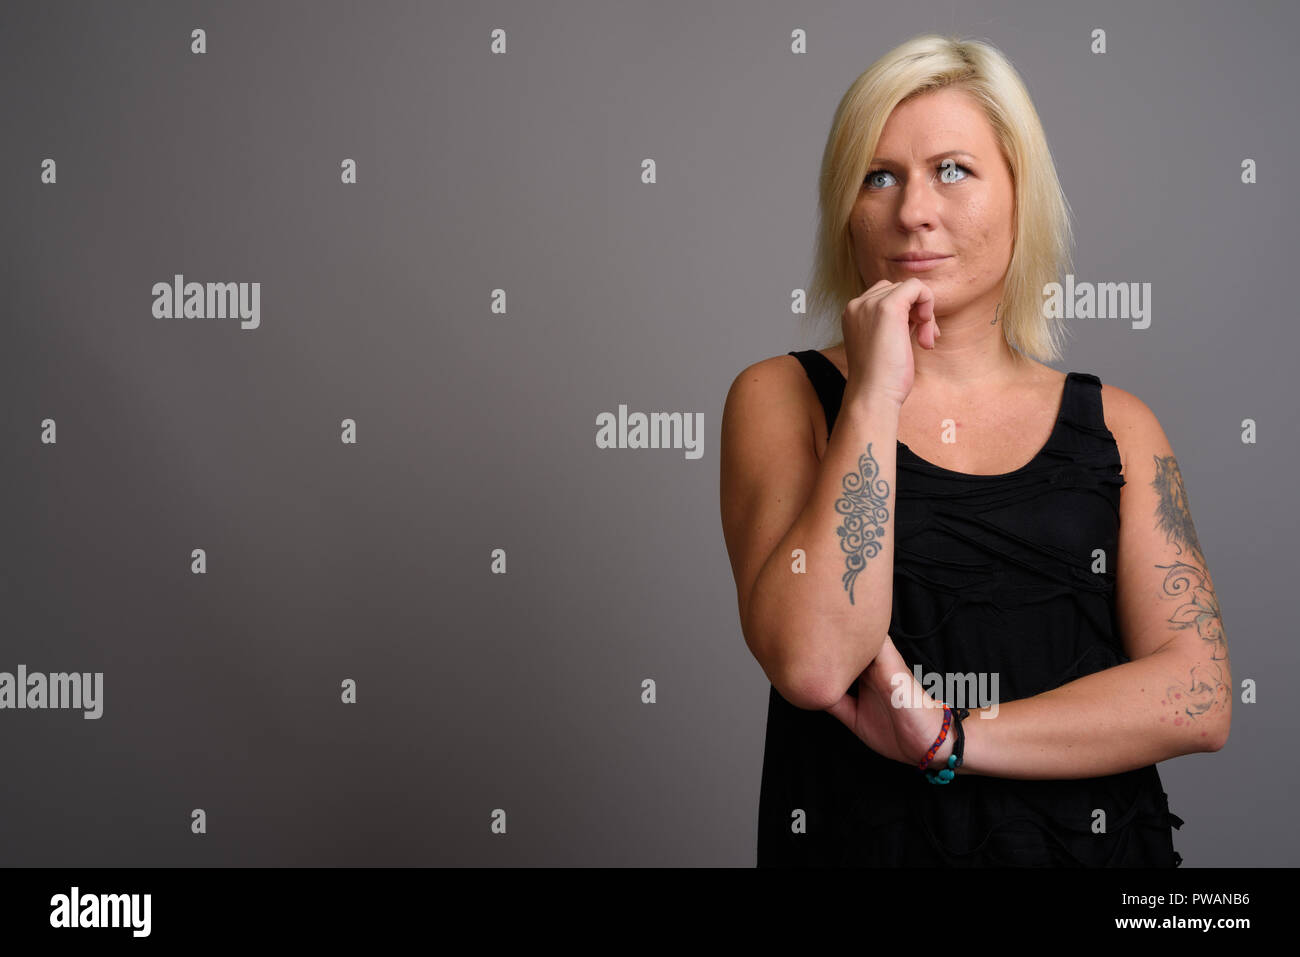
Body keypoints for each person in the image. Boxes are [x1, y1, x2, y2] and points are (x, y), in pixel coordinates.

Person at [719, 34, 1231, 866]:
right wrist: (875, 395)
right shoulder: (781, 398)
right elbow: (812, 664)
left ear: (1020, 196)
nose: (912, 210)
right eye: (878, 175)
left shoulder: (1118, 425)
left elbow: (1201, 695)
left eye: (952, 169)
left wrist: (951, 738)